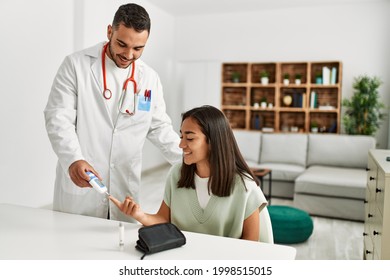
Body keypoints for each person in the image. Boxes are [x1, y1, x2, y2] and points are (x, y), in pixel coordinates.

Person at [44, 3, 181, 222]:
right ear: (110, 31)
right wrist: (73, 159)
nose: (129, 54)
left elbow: (159, 127)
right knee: (73, 247)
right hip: (83, 185)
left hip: (124, 187)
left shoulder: (149, 79)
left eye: (138, 49)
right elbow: (58, 118)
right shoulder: (76, 66)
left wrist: (189, 160)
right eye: (122, 44)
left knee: (120, 247)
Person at [110, 105, 267, 241]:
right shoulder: (176, 174)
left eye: (190, 138)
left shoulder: (245, 187)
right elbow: (163, 219)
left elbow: (250, 244)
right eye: (181, 136)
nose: (181, 144)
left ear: (213, 142)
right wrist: (139, 215)